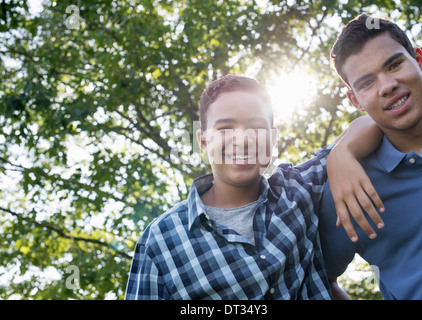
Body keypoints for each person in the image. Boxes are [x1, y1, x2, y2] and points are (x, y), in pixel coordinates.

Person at [125, 74, 382, 300]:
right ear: (203, 140)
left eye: (256, 127)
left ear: (273, 137)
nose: (243, 139)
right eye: (225, 128)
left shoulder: (297, 190)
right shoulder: (160, 240)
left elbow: (372, 121)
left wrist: (342, 153)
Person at [319, 13, 422, 300]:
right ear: (355, 100)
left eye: (394, 64)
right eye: (366, 83)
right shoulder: (348, 187)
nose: (387, 85)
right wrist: (339, 155)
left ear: (420, 60)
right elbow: (320, 280)